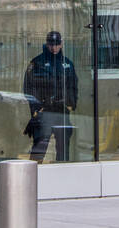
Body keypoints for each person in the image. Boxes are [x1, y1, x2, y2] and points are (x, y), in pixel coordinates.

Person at [22, 30, 78, 162]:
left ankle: (62, 175)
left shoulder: (67, 64)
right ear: (47, 44)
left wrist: (71, 105)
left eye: (57, 44)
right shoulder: (37, 63)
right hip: (44, 111)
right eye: (51, 44)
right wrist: (36, 109)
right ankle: (32, 173)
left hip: (62, 111)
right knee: (40, 145)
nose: (54, 48)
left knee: (63, 147)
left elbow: (73, 87)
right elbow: (29, 88)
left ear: (61, 44)